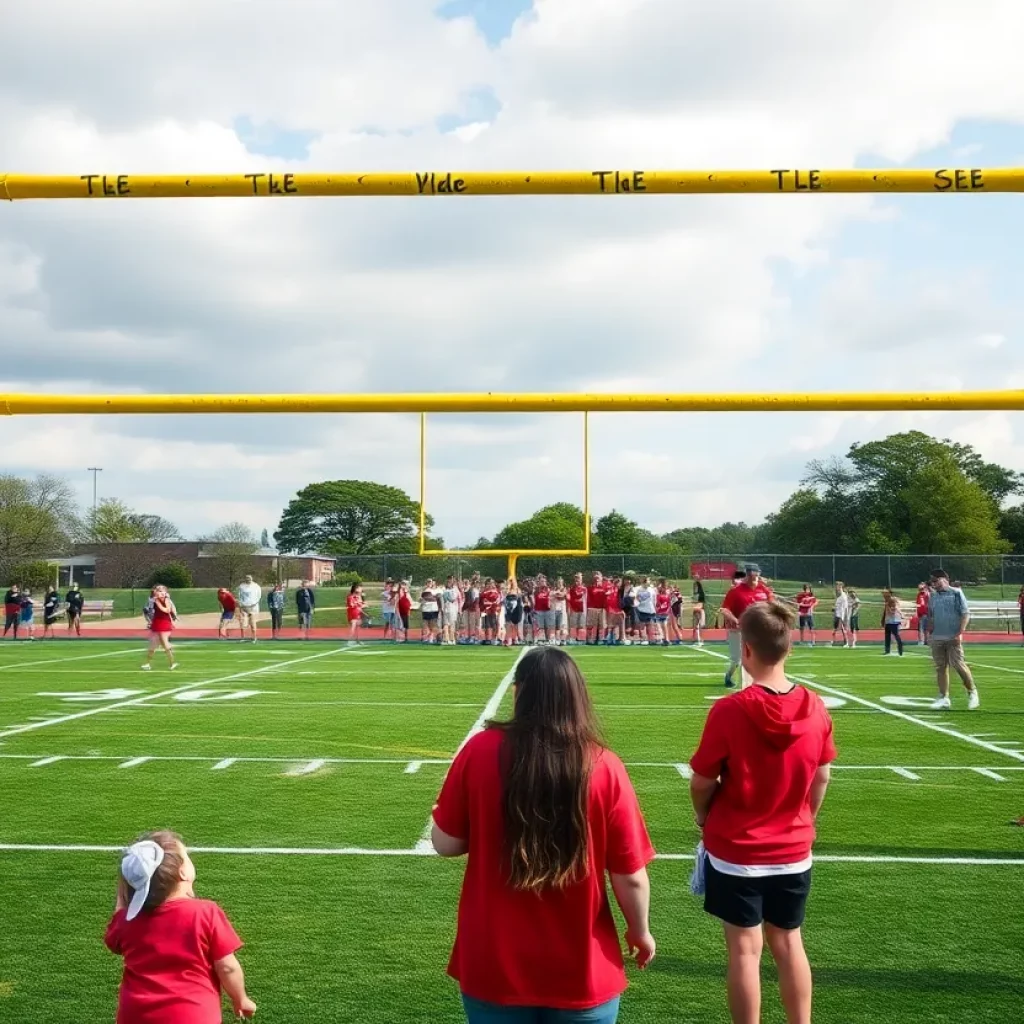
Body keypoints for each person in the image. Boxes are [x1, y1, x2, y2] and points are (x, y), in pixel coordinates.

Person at [431, 648, 656, 1023]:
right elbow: (630, 875)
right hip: (584, 967)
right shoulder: (604, 765)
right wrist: (640, 931)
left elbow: (446, 843)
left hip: (494, 963)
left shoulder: (480, 750)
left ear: (519, 693)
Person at [690, 602, 836, 1024]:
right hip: (793, 847)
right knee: (790, 943)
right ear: (788, 647)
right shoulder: (816, 706)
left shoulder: (730, 710)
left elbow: (701, 781)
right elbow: (821, 777)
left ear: (746, 650)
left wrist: (704, 818)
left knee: (744, 950)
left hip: (737, 850)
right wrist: (805, 817)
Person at [105, 831, 256, 1022]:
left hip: (136, 1015)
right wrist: (240, 999)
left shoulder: (127, 920)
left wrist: (124, 890)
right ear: (183, 872)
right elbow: (227, 967)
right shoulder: (206, 913)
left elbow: (114, 941)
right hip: (193, 1015)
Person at [927, 570, 979, 710]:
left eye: (935, 581)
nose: (933, 584)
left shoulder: (956, 593)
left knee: (958, 664)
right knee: (940, 667)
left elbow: (965, 614)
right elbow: (931, 616)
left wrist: (959, 633)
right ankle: (944, 697)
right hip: (938, 636)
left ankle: (972, 691)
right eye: (932, 582)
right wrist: (930, 633)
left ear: (944, 579)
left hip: (952, 636)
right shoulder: (933, 596)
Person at [719, 565, 774, 689]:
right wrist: (735, 620)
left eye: (756, 575)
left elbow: (772, 607)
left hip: (758, 630)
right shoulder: (735, 591)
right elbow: (724, 609)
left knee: (757, 657)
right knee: (737, 660)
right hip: (738, 630)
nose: (753, 578)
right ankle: (729, 675)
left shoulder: (764, 590)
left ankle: (751, 685)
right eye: (750, 575)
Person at [142, 586, 177, 670]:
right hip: (156, 623)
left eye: (161, 591)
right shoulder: (153, 600)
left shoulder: (166, 600)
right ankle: (147, 664)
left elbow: (167, 610)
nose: (159, 592)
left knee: (165, 644)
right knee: (152, 645)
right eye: (158, 591)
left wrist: (172, 620)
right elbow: (150, 610)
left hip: (164, 623)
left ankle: (172, 663)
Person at [237, 576, 262, 643]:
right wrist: (241, 605)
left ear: (252, 579)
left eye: (249, 578)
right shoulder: (241, 586)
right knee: (242, 622)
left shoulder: (256, 586)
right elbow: (239, 596)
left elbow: (259, 597)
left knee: (252, 622)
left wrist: (253, 604)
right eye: (247, 578)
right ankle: (243, 637)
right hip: (244, 607)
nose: (248, 580)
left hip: (253, 607)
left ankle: (254, 638)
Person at [586, 571, 608, 646]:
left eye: (598, 577)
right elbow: (587, 598)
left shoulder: (606, 586)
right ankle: (591, 639)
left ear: (601, 577)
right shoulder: (590, 587)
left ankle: (601, 639)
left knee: (602, 625)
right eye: (595, 577)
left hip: (602, 608)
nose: (597, 578)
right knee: (592, 625)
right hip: (592, 608)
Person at [533, 575, 556, 645]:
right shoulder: (536, 590)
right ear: (539, 582)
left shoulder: (548, 589)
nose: (543, 583)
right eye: (542, 581)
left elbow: (553, 596)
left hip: (548, 610)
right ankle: (540, 639)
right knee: (540, 626)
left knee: (548, 626)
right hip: (539, 610)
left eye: (544, 581)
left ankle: (548, 639)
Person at [881, 589, 904, 657]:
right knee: (887, 636)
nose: (884, 595)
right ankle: (887, 650)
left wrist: (888, 606)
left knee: (896, 635)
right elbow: (885, 611)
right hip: (888, 621)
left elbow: (893, 611)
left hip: (894, 621)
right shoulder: (887, 601)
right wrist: (883, 619)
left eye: (885, 594)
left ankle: (900, 649)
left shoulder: (893, 600)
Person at [567, 573, 587, 645]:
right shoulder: (571, 588)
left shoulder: (584, 588)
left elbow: (586, 599)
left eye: (578, 578)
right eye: (576, 578)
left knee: (581, 625)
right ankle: (572, 639)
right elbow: (569, 598)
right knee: (573, 625)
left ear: (581, 579)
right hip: (574, 609)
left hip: (582, 609)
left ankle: (581, 639)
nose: (577, 580)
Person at [503, 579, 524, 647]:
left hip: (516, 609)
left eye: (513, 582)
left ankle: (515, 639)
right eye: (510, 582)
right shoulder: (506, 590)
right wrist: (507, 589)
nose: (512, 583)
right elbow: (504, 597)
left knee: (515, 625)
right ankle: (509, 640)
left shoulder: (518, 590)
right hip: (508, 608)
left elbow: (520, 600)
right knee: (508, 624)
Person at [480, 578, 501, 646]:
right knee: (487, 626)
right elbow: (482, 602)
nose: (490, 584)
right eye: (488, 583)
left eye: (491, 583)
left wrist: (495, 607)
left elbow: (498, 601)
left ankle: (494, 639)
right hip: (486, 611)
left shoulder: (496, 591)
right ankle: (487, 639)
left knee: (494, 625)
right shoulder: (483, 592)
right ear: (486, 584)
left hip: (494, 611)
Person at [442, 576, 461, 646]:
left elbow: (453, 599)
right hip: (446, 609)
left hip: (453, 609)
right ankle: (446, 639)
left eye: (450, 581)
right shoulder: (444, 589)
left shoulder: (455, 589)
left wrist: (446, 595)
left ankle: (452, 639)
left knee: (452, 625)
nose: (449, 582)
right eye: (448, 581)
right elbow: (443, 599)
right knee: (445, 624)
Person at [421, 580, 441, 644]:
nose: (429, 584)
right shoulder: (424, 590)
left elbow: (439, 598)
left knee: (433, 624)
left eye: (431, 582)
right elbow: (420, 599)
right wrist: (422, 600)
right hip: (425, 609)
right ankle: (427, 637)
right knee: (425, 624)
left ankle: (432, 637)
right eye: (428, 582)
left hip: (433, 609)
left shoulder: (438, 590)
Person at [463, 576, 481, 645]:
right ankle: (469, 637)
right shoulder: (470, 589)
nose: (476, 584)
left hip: (474, 609)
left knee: (474, 624)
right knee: (469, 624)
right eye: (475, 582)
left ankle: (474, 638)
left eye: (477, 583)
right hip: (470, 608)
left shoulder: (476, 590)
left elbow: (475, 601)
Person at [831, 583, 850, 648]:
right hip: (838, 614)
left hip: (842, 615)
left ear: (841, 587)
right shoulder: (839, 596)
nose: (836, 588)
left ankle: (846, 642)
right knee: (837, 628)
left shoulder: (843, 596)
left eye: (838, 586)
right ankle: (834, 641)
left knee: (842, 628)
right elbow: (838, 606)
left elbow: (844, 608)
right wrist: (834, 609)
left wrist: (841, 618)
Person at [552, 577, 568, 646]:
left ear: (562, 582)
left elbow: (562, 595)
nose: (559, 583)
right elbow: (552, 594)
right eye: (558, 582)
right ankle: (557, 639)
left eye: (560, 582)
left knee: (563, 625)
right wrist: (557, 593)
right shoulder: (555, 589)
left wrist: (557, 593)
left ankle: (563, 639)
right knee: (557, 626)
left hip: (562, 610)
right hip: (555, 609)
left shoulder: (564, 589)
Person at [692, 576, 707, 647]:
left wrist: (694, 607)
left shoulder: (701, 595)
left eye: (695, 586)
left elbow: (700, 605)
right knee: (695, 625)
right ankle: (695, 639)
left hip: (700, 611)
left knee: (701, 626)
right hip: (695, 611)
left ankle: (701, 640)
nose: (694, 588)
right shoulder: (694, 595)